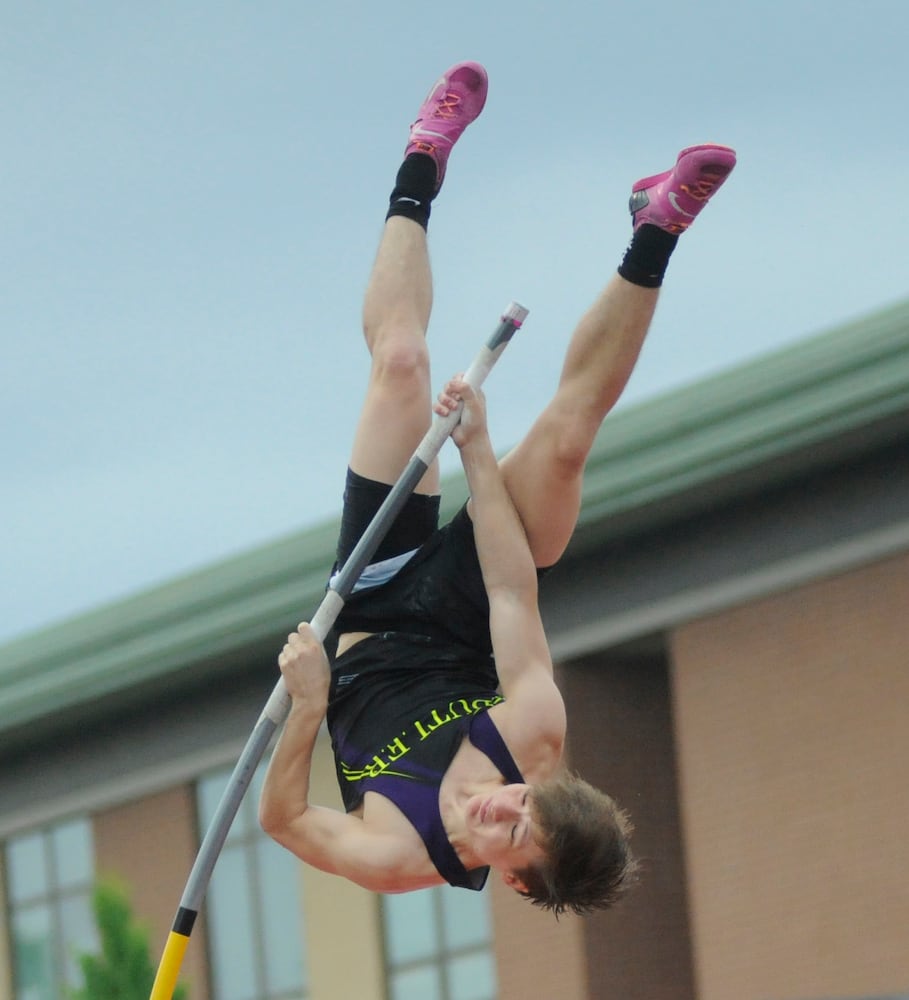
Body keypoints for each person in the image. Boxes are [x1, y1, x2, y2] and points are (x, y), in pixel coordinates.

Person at [259, 61, 735, 916]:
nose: (504, 803)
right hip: (464, 606)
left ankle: (412, 164)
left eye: (512, 831)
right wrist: (475, 446)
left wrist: (309, 704)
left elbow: (286, 819)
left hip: (366, 616)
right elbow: (514, 591)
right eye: (526, 802)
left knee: (401, 366)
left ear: (511, 880)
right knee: (561, 445)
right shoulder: (534, 736)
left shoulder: (397, 854)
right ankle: (653, 227)